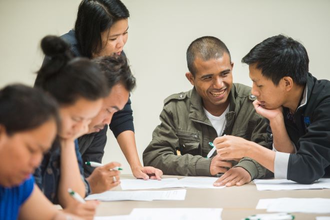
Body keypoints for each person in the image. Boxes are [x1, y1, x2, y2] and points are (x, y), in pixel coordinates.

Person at [143, 36, 272, 187]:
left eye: (224, 74)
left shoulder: (254, 104)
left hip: (243, 193)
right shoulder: (176, 109)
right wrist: (205, 165)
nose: (218, 85)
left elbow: (270, 152)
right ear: (191, 78)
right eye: (208, 77)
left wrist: (247, 168)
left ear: (232, 67)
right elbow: (154, 157)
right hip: (194, 199)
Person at [60, 0, 161, 179]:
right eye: (113, 38)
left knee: (90, 190)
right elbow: (52, 113)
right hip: (62, 139)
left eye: (125, 33)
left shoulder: (116, 55)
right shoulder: (64, 54)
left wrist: (136, 166)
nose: (121, 44)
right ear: (91, 35)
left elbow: (121, 111)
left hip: (93, 138)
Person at [214, 34, 330, 184]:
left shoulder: (325, 101)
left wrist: (248, 149)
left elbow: (307, 168)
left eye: (259, 85)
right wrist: (276, 121)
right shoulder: (278, 103)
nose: (253, 92)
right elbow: (289, 161)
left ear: (287, 83)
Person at [34, 35, 107, 218]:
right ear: (51, 101)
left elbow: (72, 199)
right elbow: (27, 207)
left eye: (87, 119)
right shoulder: (28, 138)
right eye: (76, 118)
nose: (82, 127)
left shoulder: (67, 133)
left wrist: (67, 142)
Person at [79, 55, 163, 194]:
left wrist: (91, 184)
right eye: (108, 110)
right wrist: (88, 186)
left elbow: (85, 181)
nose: (109, 122)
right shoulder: (55, 131)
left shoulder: (96, 130)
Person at [0, 84, 81, 220]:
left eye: (42, 152)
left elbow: (53, 217)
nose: (37, 162)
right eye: (31, 150)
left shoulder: (19, 181)